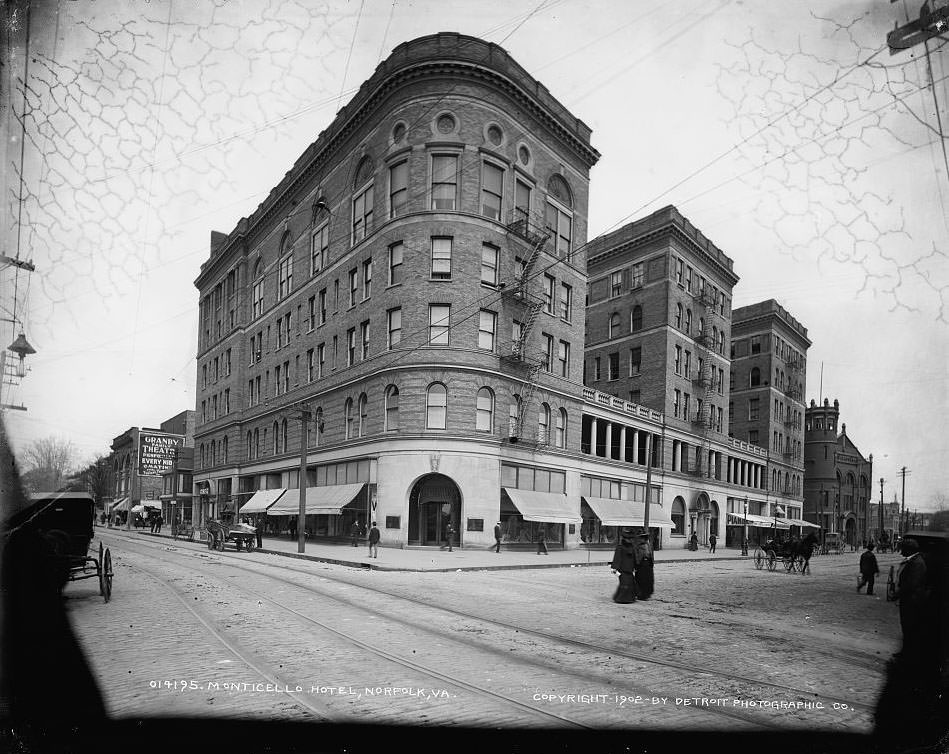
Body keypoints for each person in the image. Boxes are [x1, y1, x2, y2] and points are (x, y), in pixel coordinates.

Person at [896, 538, 929, 654]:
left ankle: (908, 653)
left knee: (909, 626)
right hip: (909, 599)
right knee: (906, 625)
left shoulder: (917, 563)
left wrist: (898, 594)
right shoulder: (914, 560)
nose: (901, 551)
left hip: (912, 600)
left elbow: (911, 583)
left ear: (909, 550)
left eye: (903, 549)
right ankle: (906, 651)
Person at [610, 528, 638, 603]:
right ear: (625, 539)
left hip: (629, 569)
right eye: (628, 539)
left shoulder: (632, 547)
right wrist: (614, 568)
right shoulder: (620, 547)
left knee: (630, 583)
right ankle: (621, 599)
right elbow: (617, 558)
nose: (630, 540)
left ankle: (629, 598)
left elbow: (634, 558)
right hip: (622, 569)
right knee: (624, 583)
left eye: (631, 539)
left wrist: (636, 566)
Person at [634, 530, 655, 599]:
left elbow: (648, 555)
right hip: (644, 565)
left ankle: (644, 594)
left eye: (642, 538)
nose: (641, 539)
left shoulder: (646, 545)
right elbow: (638, 556)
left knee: (645, 580)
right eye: (640, 538)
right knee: (643, 580)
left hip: (645, 565)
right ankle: (643, 594)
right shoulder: (642, 545)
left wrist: (637, 564)